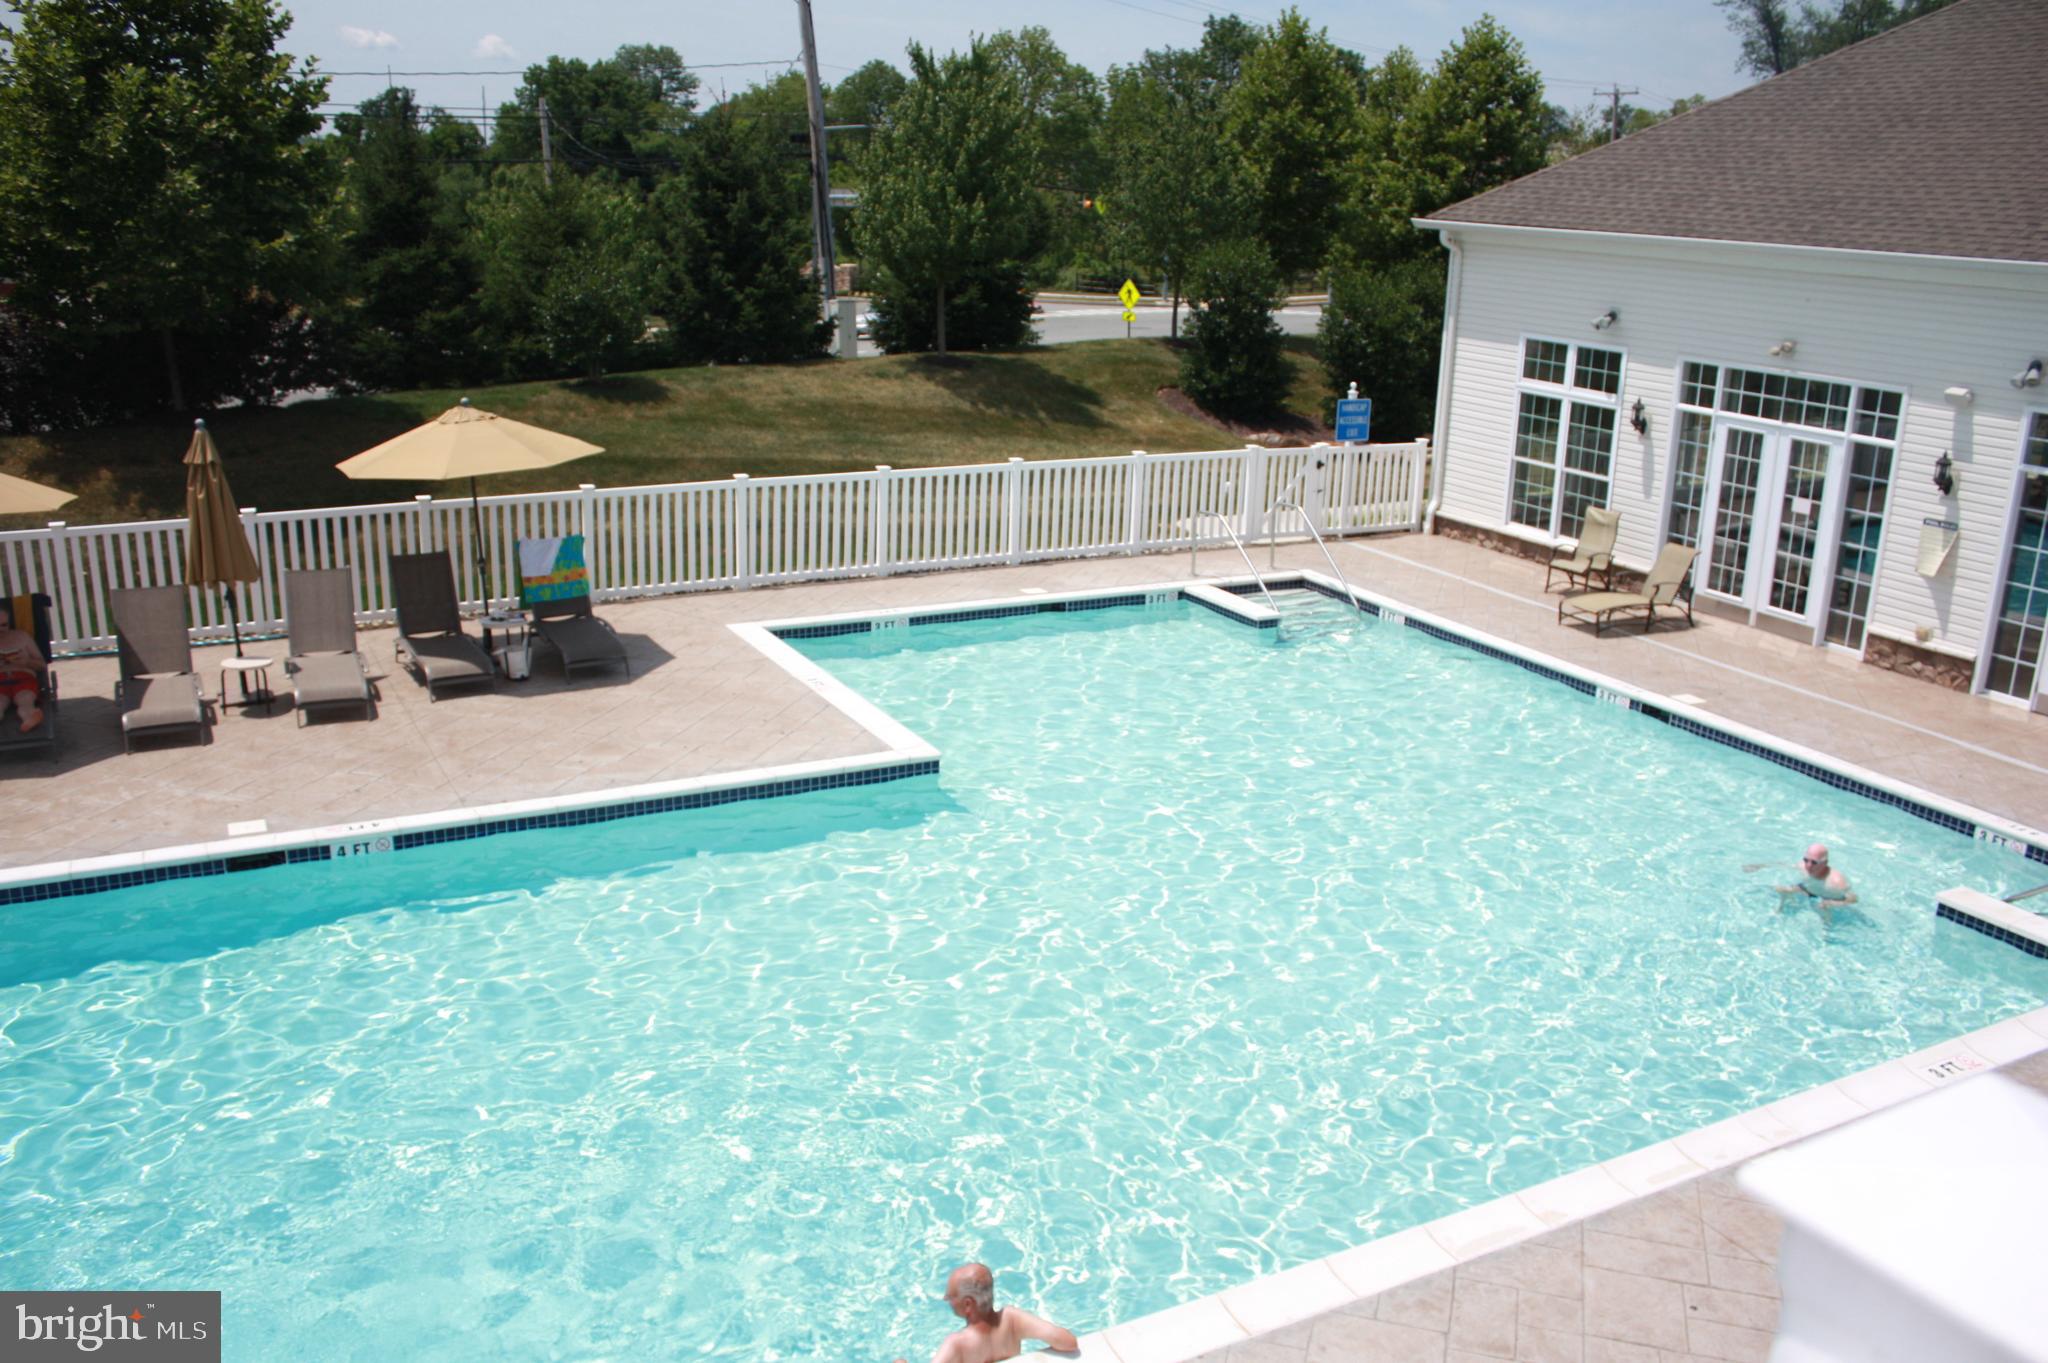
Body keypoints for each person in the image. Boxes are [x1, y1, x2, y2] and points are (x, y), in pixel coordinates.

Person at [891, 1263, 1078, 1363]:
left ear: (967, 1305)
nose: (946, 1299)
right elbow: (1068, 1342)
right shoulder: (1012, 1320)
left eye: (950, 1295)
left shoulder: (958, 1344)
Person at [0, 599, 46, 734]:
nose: (1, 629)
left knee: (25, 700)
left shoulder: (21, 637)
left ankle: (30, 718)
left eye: (4, 625)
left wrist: (26, 662)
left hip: (23, 677)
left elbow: (41, 665)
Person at [1776, 843, 1855, 915]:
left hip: (1827, 897)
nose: (1808, 866)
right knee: (1782, 889)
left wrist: (1831, 903)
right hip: (1807, 890)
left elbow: (1853, 899)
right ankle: (1780, 912)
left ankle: (1826, 928)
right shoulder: (1803, 866)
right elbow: (1784, 865)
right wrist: (1765, 865)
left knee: (1823, 909)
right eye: (1806, 860)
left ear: (1825, 863)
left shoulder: (1837, 881)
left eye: (1814, 862)